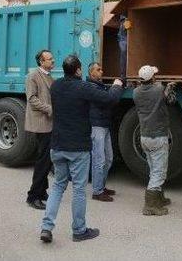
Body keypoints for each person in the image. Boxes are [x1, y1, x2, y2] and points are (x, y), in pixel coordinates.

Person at [40, 56, 123, 244]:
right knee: (78, 189)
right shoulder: (83, 88)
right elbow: (109, 99)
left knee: (58, 186)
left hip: (58, 145)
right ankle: (79, 230)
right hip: (78, 147)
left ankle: (46, 227)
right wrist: (117, 84)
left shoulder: (56, 86)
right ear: (78, 71)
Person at [132, 65, 176, 216]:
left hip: (144, 136)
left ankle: (159, 198)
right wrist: (169, 88)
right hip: (158, 136)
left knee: (153, 169)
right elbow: (169, 100)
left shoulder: (135, 92)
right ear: (153, 78)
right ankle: (150, 205)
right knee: (159, 172)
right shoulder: (158, 89)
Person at [24, 49, 55, 210]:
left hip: (49, 123)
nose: (53, 61)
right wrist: (50, 109)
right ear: (41, 62)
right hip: (41, 123)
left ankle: (42, 191)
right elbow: (32, 99)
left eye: (52, 58)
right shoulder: (33, 76)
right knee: (42, 161)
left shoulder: (49, 76)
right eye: (49, 59)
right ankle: (33, 196)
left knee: (46, 159)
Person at [87, 62, 119, 202]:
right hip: (97, 126)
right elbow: (109, 100)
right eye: (98, 69)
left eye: (101, 68)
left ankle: (101, 186)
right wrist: (117, 86)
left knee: (108, 158)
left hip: (104, 125)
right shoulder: (91, 87)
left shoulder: (99, 86)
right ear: (91, 73)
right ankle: (97, 191)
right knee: (99, 159)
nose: (101, 71)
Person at [118, 14, 129, 82]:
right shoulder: (126, 21)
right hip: (124, 41)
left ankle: (123, 76)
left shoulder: (123, 22)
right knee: (124, 56)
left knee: (123, 57)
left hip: (122, 40)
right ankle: (123, 76)